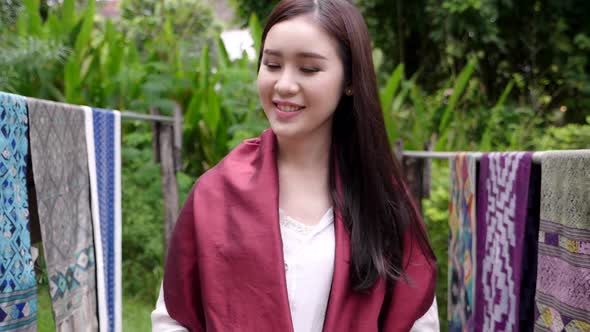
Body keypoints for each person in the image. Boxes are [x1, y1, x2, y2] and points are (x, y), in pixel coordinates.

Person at [151, 0, 439, 331]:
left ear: (350, 80)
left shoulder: (382, 198)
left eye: (309, 69)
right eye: (272, 65)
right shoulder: (216, 193)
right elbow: (174, 319)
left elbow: (417, 322)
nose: (284, 84)